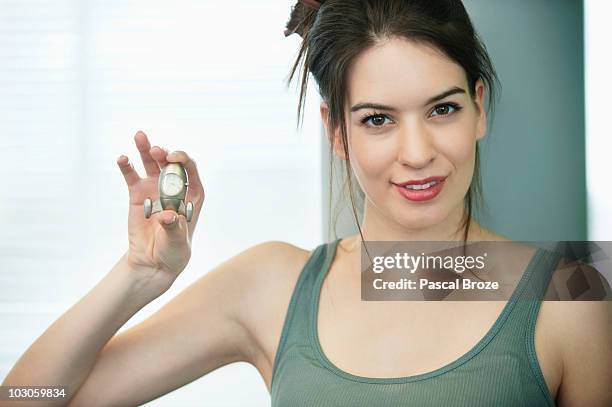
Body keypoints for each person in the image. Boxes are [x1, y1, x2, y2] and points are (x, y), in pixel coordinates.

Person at [2, 0, 610, 406]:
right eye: (378, 120)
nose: (418, 152)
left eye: (443, 109)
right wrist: (139, 275)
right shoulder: (272, 285)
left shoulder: (571, 294)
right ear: (336, 130)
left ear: (480, 107)